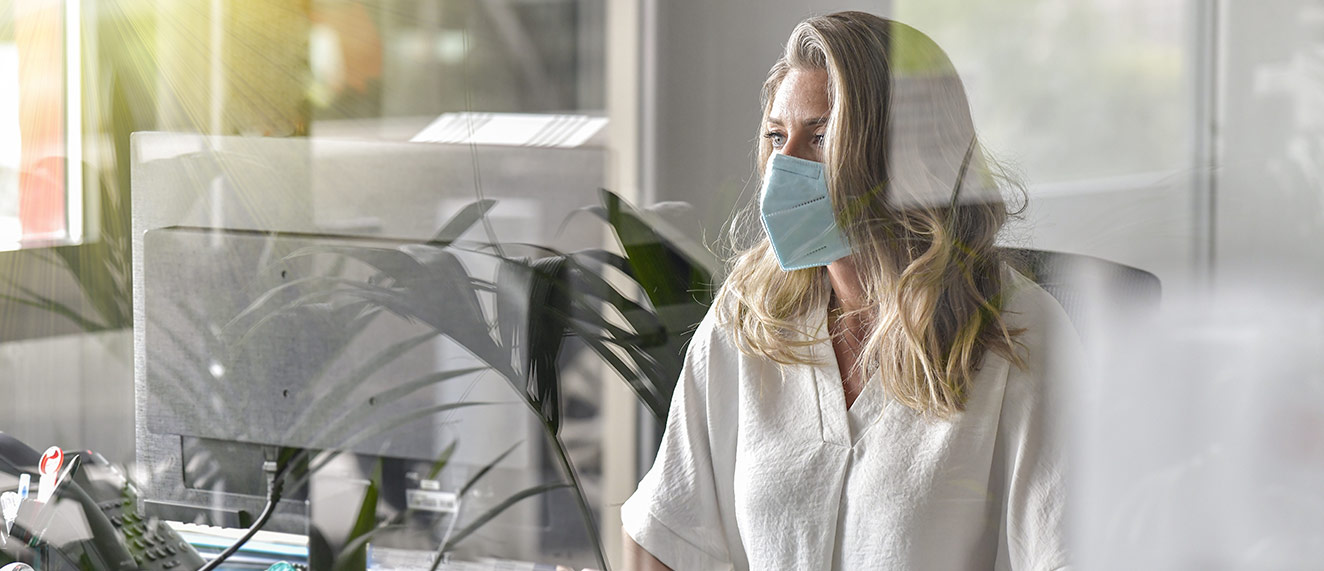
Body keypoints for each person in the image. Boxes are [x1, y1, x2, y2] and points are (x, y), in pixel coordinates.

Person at [621, 11, 1077, 571]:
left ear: (906, 157)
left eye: (820, 136)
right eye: (775, 136)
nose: (783, 166)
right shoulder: (750, 314)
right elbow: (665, 535)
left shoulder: (1022, 333)